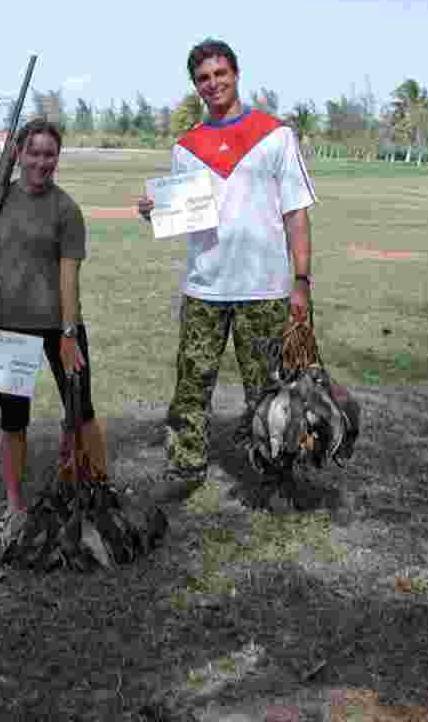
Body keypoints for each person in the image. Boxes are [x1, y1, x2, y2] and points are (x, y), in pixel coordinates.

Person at [136, 38, 317, 505]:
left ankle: (276, 473)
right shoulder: (186, 147)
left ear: (236, 74)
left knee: (270, 389)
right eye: (203, 78)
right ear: (195, 86)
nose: (213, 83)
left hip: (265, 288)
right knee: (191, 384)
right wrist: (155, 211)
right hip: (205, 287)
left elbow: (296, 213)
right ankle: (186, 466)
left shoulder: (275, 135)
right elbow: (185, 215)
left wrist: (301, 281)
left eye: (220, 74)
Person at [0, 118, 97, 539]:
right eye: (33, 152)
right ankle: (15, 504)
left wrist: (69, 334)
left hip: (59, 327)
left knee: (81, 414)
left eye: (49, 154)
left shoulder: (66, 209)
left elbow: (69, 277)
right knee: (13, 421)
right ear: (17, 154)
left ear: (58, 157)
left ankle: (89, 491)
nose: (41, 162)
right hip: (8, 328)